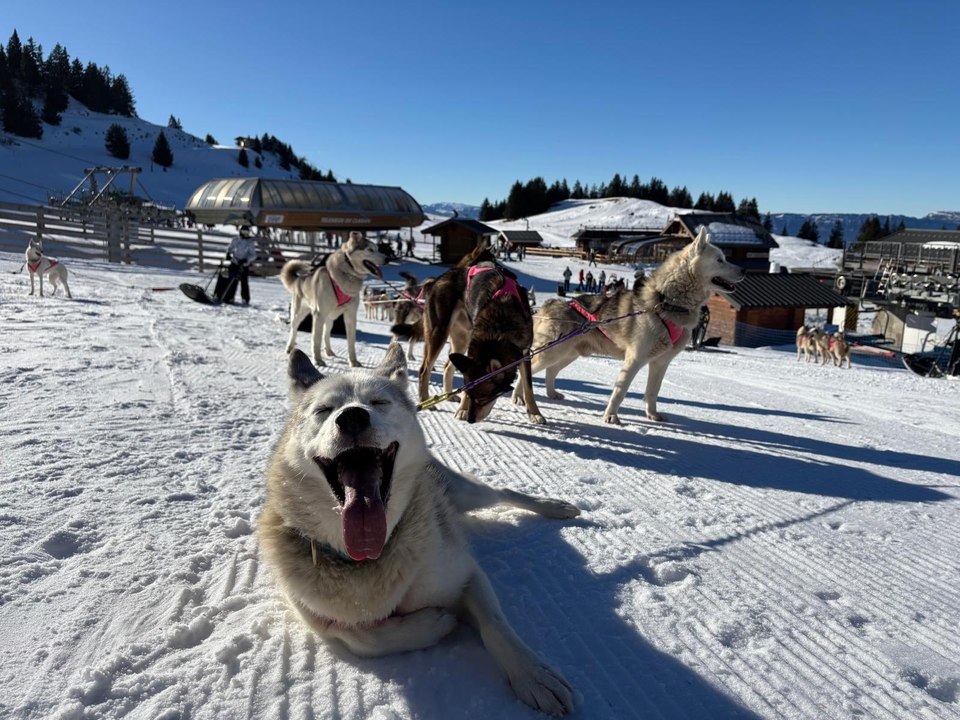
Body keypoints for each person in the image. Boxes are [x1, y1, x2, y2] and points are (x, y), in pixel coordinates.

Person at [215, 224, 258, 305]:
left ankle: (245, 299)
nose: (244, 234)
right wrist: (228, 254)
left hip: (243, 265)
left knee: (244, 282)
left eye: (246, 232)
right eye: (243, 231)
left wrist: (246, 260)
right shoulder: (236, 239)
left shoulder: (250, 242)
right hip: (235, 262)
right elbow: (230, 248)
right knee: (231, 280)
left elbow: (253, 255)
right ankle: (229, 297)